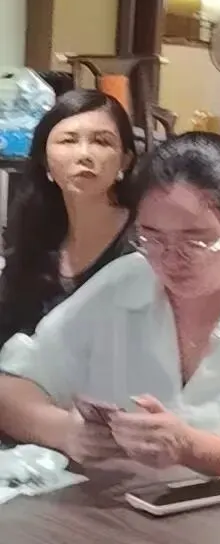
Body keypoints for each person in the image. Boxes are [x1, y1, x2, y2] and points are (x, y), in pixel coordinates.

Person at [0, 132, 220, 500]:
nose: (171, 258)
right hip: (131, 518)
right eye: (152, 237)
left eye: (196, 240)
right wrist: (67, 432)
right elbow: (13, 386)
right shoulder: (125, 282)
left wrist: (189, 447)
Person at [0, 89, 137, 352]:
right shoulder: (33, 237)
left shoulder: (146, 243)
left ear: (125, 161)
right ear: (45, 161)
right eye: (68, 141)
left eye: (101, 142)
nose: (84, 154)